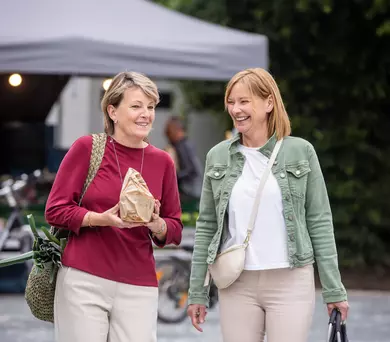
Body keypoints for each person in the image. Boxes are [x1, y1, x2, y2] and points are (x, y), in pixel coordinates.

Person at [187, 68, 349, 342]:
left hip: (290, 280)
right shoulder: (218, 156)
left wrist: (334, 290)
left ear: (269, 103)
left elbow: (319, 220)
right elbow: (207, 226)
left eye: (244, 101)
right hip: (237, 282)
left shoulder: (300, 151)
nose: (236, 109)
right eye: (231, 102)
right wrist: (197, 291)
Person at [45, 71, 183, 342]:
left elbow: (175, 228)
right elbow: (55, 210)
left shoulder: (163, 162)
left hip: (138, 283)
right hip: (83, 279)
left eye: (151, 107)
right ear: (113, 111)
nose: (146, 114)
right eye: (136, 106)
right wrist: (99, 219)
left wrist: (156, 224)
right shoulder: (87, 148)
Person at [164, 116, 203, 203]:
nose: (167, 136)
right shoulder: (185, 144)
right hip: (192, 188)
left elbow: (191, 169)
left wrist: (175, 177)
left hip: (190, 189)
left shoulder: (182, 146)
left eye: (169, 132)